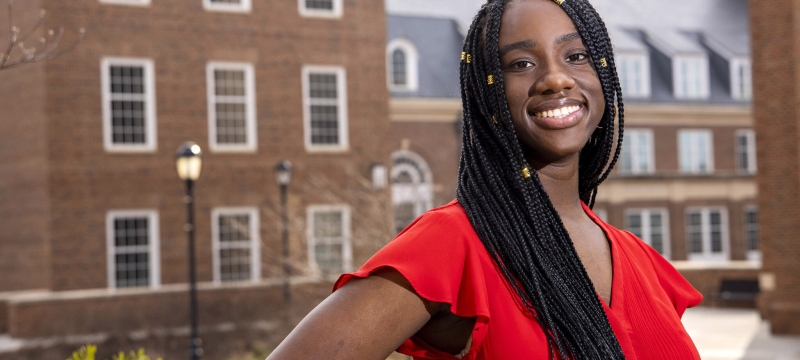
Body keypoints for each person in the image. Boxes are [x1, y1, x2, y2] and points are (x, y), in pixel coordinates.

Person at [268, 0, 703, 358]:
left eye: (576, 56)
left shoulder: (643, 262)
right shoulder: (454, 242)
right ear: (485, 94)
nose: (555, 78)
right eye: (521, 63)